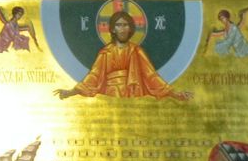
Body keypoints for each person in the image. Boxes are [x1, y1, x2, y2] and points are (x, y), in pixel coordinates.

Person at [57, 9, 193, 101]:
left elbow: (151, 76)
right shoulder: (106, 52)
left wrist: (175, 94)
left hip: (133, 93)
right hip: (110, 95)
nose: (122, 29)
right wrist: (71, 92)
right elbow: (94, 76)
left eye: (125, 25)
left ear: (130, 28)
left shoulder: (137, 51)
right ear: (112, 29)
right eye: (119, 25)